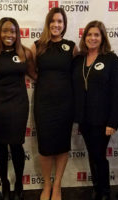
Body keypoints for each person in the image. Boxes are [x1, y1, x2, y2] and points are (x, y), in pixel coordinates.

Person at [0, 17, 36, 200]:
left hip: (19, 104)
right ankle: (5, 183)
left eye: (13, 31)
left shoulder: (26, 53)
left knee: (16, 144)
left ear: (17, 33)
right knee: (0, 144)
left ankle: (19, 183)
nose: (9, 34)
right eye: (5, 30)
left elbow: (35, 75)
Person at [72, 20, 118, 200]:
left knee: (99, 156)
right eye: (89, 35)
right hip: (84, 119)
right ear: (84, 37)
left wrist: (113, 122)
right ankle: (97, 188)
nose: (92, 38)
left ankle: (105, 192)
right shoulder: (79, 59)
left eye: (96, 35)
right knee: (92, 155)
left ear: (102, 38)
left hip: (103, 120)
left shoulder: (111, 59)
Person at [31, 7, 78, 200]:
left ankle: (57, 185)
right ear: (48, 23)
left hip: (66, 103)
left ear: (64, 25)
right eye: (53, 21)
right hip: (43, 103)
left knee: (61, 145)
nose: (56, 25)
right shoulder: (38, 45)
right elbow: (30, 69)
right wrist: (43, 81)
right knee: (45, 145)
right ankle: (47, 185)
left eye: (60, 21)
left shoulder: (71, 46)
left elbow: (78, 72)